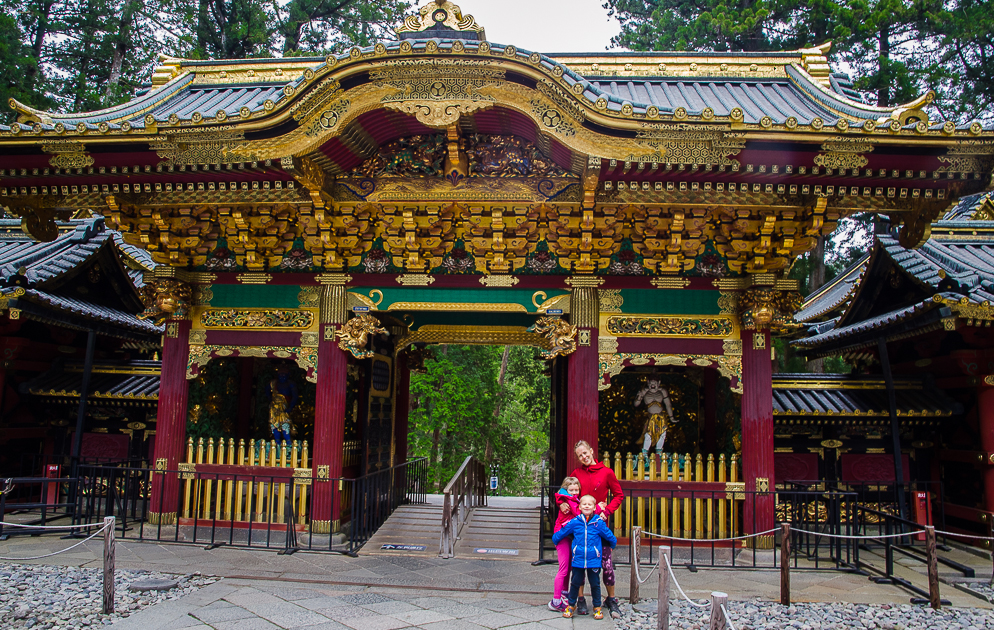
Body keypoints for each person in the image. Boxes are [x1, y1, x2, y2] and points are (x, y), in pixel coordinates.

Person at [562, 440, 624, 618]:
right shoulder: (577, 473)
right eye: (580, 456)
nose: (584, 457)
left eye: (585, 453)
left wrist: (607, 511)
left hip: (599, 525)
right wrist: (563, 505)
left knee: (606, 564)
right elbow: (566, 493)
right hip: (580, 525)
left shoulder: (607, 473)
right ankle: (580, 599)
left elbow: (619, 495)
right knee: (579, 563)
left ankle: (611, 599)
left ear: (591, 451)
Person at [551, 494, 617, 620]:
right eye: (584, 504)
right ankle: (571, 605)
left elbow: (610, 536)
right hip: (578, 559)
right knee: (575, 583)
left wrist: (611, 546)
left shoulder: (598, 523)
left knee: (595, 584)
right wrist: (555, 539)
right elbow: (562, 532)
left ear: (594, 508)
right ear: (580, 507)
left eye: (590, 504)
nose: (587, 506)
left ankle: (597, 607)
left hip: (593, 560)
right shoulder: (575, 522)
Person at [549, 476, 581, 612]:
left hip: (568, 535)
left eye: (576, 489)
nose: (574, 492)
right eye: (571, 490)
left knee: (567, 567)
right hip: (562, 535)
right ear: (566, 490)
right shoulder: (569, 500)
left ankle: (563, 593)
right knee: (563, 568)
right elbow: (579, 513)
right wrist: (597, 507)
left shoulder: (571, 499)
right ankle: (556, 600)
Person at [635, 376, 674, 459]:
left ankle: (658, 454)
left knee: (662, 434)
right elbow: (636, 404)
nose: (653, 385)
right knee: (648, 434)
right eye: (651, 383)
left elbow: (668, 405)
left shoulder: (662, 391)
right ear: (648, 383)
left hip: (660, 417)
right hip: (650, 417)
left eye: (655, 383)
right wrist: (639, 396)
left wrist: (671, 417)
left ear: (659, 383)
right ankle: (645, 454)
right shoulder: (644, 391)